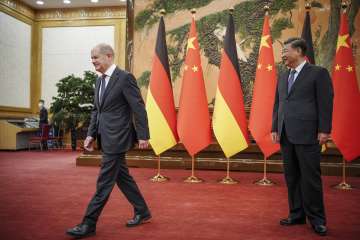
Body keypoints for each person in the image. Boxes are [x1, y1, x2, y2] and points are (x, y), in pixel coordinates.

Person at [66, 43, 151, 239]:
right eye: (92, 58)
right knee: (122, 177)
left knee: (104, 182)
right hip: (105, 137)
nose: (93, 61)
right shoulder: (99, 81)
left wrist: (143, 134)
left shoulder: (125, 78)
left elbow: (138, 107)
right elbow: (97, 110)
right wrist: (90, 134)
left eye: (96, 57)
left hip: (118, 137)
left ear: (109, 56)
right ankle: (143, 211)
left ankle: (88, 223)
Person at [271, 37, 333, 236]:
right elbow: (278, 104)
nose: (283, 55)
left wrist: (324, 130)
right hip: (286, 134)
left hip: (308, 135)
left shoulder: (318, 73)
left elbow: (325, 103)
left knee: (310, 178)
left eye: (286, 51)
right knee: (292, 177)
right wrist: (275, 128)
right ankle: (296, 214)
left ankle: (317, 219)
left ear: (298, 51)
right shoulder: (283, 76)